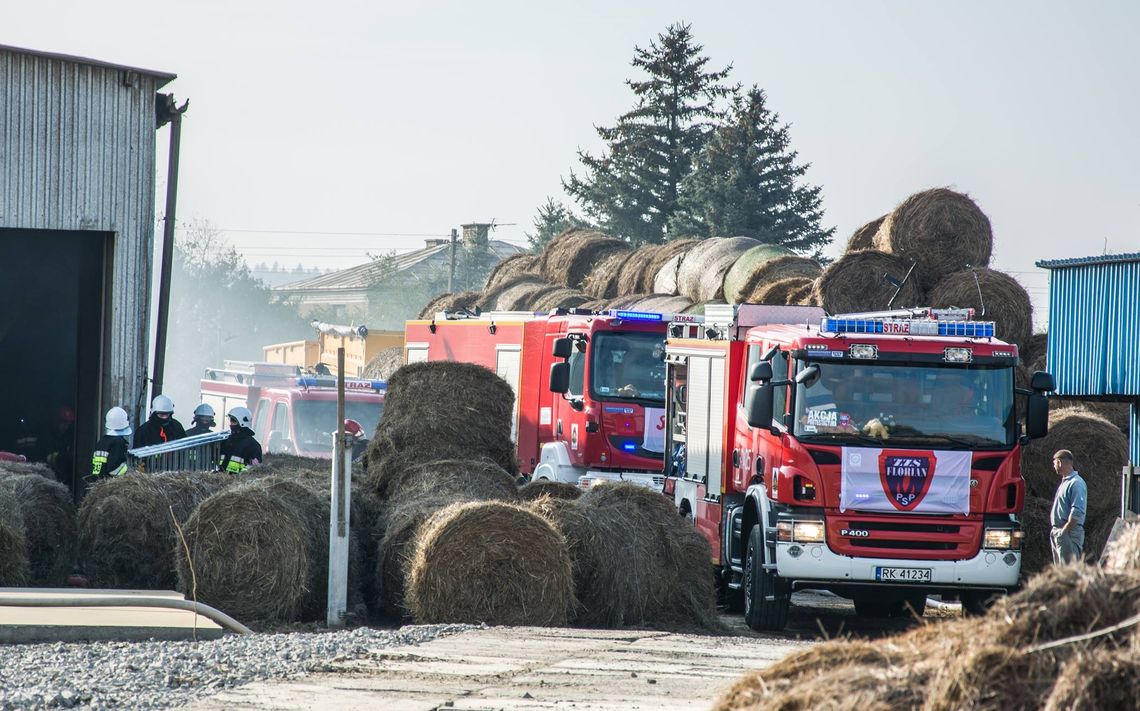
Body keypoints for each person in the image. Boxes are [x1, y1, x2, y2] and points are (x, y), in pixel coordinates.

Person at [1050, 449, 1087, 564]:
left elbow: (1077, 511)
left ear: (1060, 462)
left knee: (1069, 571)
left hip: (1069, 533)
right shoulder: (1065, 482)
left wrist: (1064, 531)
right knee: (1060, 573)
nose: (1054, 466)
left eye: (1054, 463)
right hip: (1060, 532)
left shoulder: (1076, 483)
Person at [87, 407, 132, 485]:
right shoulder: (118, 442)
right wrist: (131, 470)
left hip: (96, 484)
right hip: (110, 485)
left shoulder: (102, 441)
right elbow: (114, 469)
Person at [217, 406, 263, 475]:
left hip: (238, 483)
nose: (231, 424)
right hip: (222, 481)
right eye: (230, 420)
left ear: (242, 423)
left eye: (233, 421)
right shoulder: (228, 440)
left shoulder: (253, 445)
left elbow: (254, 470)